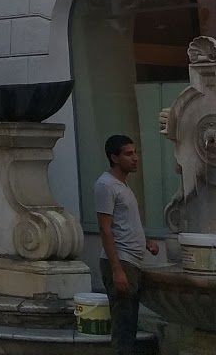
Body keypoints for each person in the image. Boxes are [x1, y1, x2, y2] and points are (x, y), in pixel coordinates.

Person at [95, 134, 162, 353]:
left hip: (131, 261)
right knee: (123, 327)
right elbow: (105, 229)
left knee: (130, 323)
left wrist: (146, 242)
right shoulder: (106, 185)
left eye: (135, 153)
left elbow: (124, 225)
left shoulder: (123, 185)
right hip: (121, 262)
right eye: (128, 154)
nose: (135, 158)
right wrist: (117, 270)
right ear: (114, 157)